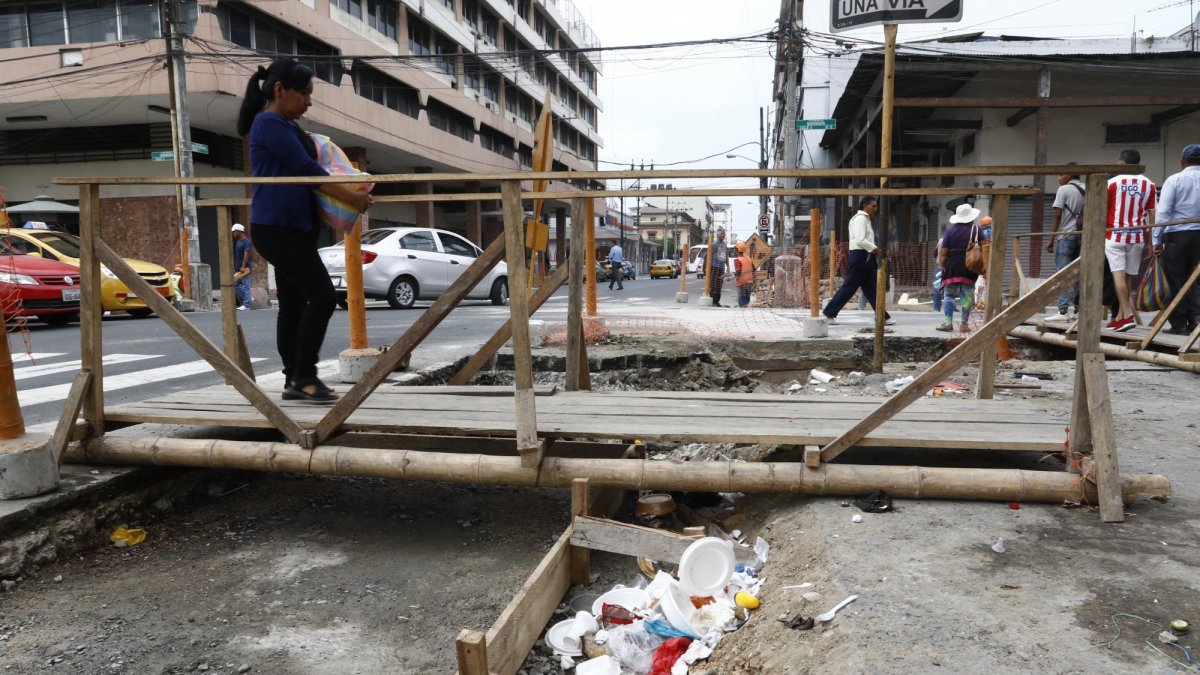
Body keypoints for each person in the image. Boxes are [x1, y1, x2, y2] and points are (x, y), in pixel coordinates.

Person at [236, 59, 373, 402]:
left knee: (294, 304)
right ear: (280, 90)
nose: (309, 102)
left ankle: (293, 380)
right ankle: (305, 376)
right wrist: (352, 199)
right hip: (277, 228)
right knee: (323, 296)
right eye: (305, 93)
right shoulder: (269, 123)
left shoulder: (286, 125)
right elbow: (307, 169)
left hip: (293, 228)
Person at [1104, 149, 1156, 332]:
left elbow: (1103, 210)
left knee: (1118, 277)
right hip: (1137, 237)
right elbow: (1152, 215)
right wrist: (1149, 242)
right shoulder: (1149, 184)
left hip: (1114, 235)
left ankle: (1126, 315)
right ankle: (1119, 317)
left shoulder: (1111, 183)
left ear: (1121, 163)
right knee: (1127, 278)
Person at [823, 197, 893, 325]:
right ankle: (829, 313)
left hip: (866, 256)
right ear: (865, 205)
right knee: (850, 286)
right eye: (873, 205)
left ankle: (882, 316)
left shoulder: (866, 219)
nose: (875, 209)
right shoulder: (860, 219)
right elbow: (860, 240)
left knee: (871, 288)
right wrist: (875, 248)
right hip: (861, 256)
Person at [1154, 143, 1200, 335]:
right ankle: (1196, 321)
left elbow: (1163, 212)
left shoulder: (1174, 180)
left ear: (1183, 161)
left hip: (1177, 236)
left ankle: (1179, 324)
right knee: (1196, 279)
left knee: (1176, 279)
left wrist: (1156, 239)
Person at [936, 203, 988, 333]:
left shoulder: (950, 231)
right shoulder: (976, 230)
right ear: (971, 217)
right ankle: (964, 325)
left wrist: (942, 266)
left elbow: (943, 253)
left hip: (952, 267)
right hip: (969, 266)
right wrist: (986, 267)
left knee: (949, 295)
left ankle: (948, 323)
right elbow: (986, 247)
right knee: (967, 296)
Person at [1046, 168, 1086, 320]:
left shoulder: (1064, 189)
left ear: (1070, 175)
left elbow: (1057, 215)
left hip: (1067, 236)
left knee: (1062, 273)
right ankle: (1079, 309)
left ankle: (1063, 311)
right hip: (1083, 238)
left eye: (1061, 174)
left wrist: (1051, 238)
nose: (1058, 178)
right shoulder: (1087, 188)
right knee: (1078, 273)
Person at [231, 223, 253, 310]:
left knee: (245, 286)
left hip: (245, 268)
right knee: (234, 284)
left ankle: (246, 305)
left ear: (239, 231)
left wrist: (243, 266)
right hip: (239, 268)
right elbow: (238, 256)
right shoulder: (238, 242)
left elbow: (246, 254)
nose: (233, 233)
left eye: (234, 232)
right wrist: (236, 268)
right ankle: (248, 298)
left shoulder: (246, 242)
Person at [707, 227, 729, 306]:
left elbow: (726, 256)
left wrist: (728, 267)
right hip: (714, 266)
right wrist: (707, 267)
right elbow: (709, 255)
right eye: (721, 234)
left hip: (722, 267)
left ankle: (717, 301)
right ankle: (712, 301)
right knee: (713, 284)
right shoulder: (714, 244)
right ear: (717, 235)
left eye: (724, 234)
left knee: (719, 284)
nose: (723, 235)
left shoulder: (725, 244)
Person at [734, 241, 754, 307]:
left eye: (735, 249)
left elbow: (738, 272)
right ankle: (746, 311)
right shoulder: (749, 258)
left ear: (738, 250)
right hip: (749, 283)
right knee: (747, 299)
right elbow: (754, 269)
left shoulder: (738, 260)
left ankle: (743, 311)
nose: (734, 251)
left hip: (742, 283)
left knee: (742, 300)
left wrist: (733, 276)